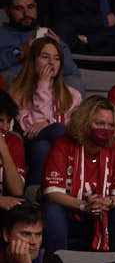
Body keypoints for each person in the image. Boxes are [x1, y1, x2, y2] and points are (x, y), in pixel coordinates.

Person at [40, 95, 115, 254]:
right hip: (70, 211)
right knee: (52, 211)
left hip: (103, 214)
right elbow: (52, 192)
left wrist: (107, 202)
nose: (105, 129)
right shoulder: (63, 143)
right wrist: (84, 206)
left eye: (110, 125)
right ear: (84, 122)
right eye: (99, 123)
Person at [9, 37, 80, 192]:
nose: (51, 63)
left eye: (56, 58)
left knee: (43, 146)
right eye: (45, 57)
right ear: (33, 60)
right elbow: (28, 128)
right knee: (56, 130)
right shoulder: (18, 91)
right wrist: (43, 84)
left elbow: (76, 128)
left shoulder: (73, 95)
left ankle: (34, 192)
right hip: (29, 143)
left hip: (56, 146)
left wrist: (48, 123)